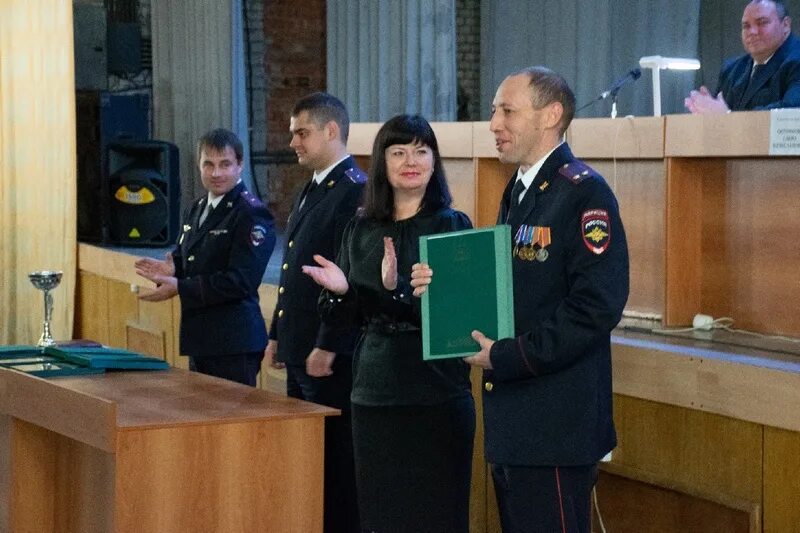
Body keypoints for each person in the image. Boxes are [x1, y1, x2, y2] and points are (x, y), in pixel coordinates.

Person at [412, 67, 630, 533]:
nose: (493, 123)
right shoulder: (520, 188)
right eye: (494, 111)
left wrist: (510, 356)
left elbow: (597, 306)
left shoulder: (583, 193)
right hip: (517, 420)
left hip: (555, 425)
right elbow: (509, 285)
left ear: (550, 115)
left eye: (507, 111)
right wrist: (442, 284)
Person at [303, 114, 475, 533]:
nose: (410, 161)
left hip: (436, 392)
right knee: (382, 516)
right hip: (375, 391)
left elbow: (459, 321)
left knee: (437, 517)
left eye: (421, 151)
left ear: (435, 162)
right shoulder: (361, 227)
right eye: (398, 152)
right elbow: (344, 318)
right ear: (382, 162)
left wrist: (395, 291)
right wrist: (341, 293)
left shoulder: (453, 226)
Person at [266, 92, 365, 533]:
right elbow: (293, 271)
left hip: (326, 356)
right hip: (300, 346)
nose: (293, 143)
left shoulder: (354, 190)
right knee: (305, 461)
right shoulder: (316, 185)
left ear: (331, 131)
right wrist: (277, 333)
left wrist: (329, 343)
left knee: (334, 466)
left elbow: (348, 274)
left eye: (301, 133)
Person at [134, 128, 275, 386]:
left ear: (240, 165)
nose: (216, 173)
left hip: (233, 342)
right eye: (208, 164)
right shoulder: (197, 207)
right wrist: (172, 268)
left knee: (230, 423)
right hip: (200, 337)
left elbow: (241, 280)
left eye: (225, 164)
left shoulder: (251, 214)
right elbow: (190, 256)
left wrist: (180, 286)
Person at [685, 0, 800, 113]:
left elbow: (791, 112)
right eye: (746, 26)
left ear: (785, 25)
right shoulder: (731, 69)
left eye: (762, 22)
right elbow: (718, 112)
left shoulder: (796, 60)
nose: (752, 31)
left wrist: (727, 117)